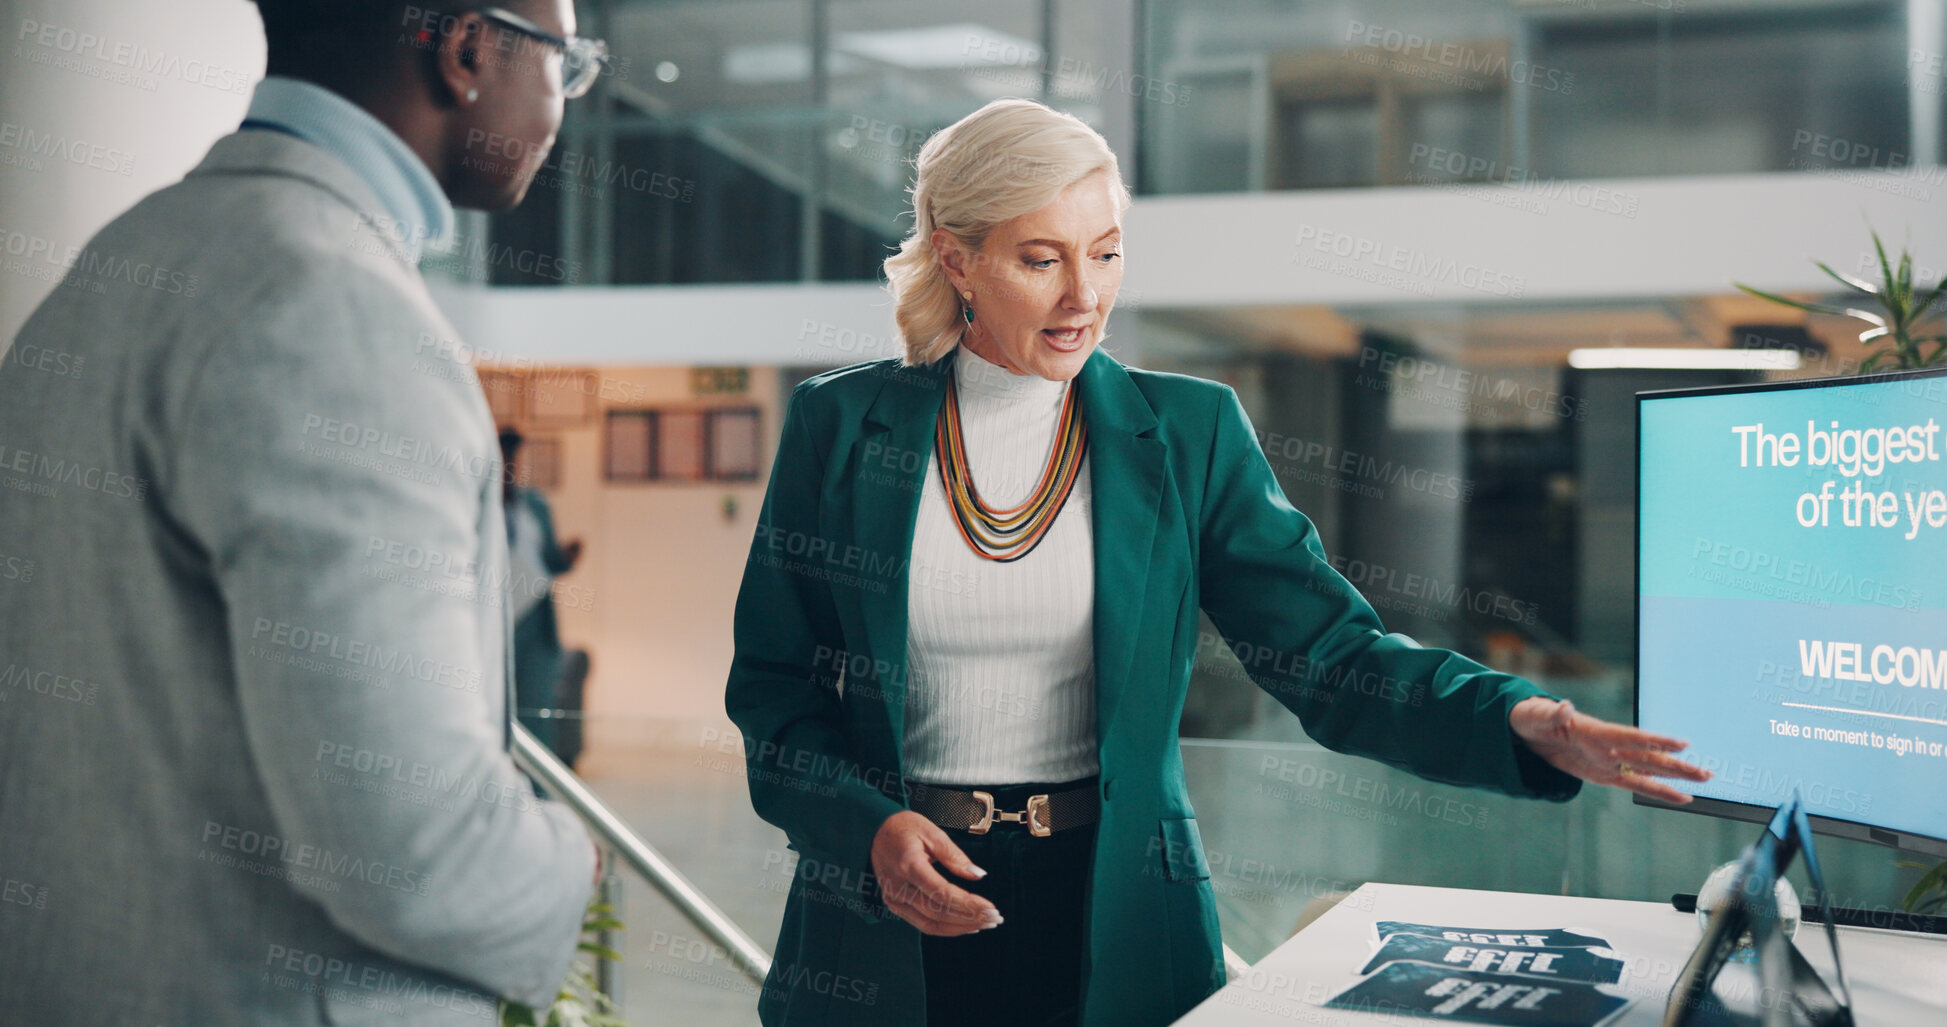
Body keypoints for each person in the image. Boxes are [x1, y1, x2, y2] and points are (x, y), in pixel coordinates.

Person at [724, 98, 1711, 1027]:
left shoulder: (1187, 432)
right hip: (884, 911)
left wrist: (1514, 720)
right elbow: (772, 692)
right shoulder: (840, 426)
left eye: (1106, 254)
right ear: (959, 258)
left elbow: (1330, 654)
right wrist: (867, 829)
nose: (1085, 295)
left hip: (1117, 913)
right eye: (1040, 259)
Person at [0, 2, 611, 1022]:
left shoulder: (117, 261)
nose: (562, 107)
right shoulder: (340, 309)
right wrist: (564, 863)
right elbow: (408, 847)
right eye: (567, 64)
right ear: (467, 51)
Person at [500, 427, 589, 766]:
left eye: (514, 459)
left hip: (535, 620)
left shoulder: (534, 505)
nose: (510, 466)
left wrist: (565, 557)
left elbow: (549, 559)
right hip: (494, 618)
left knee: (536, 709)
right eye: (503, 457)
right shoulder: (477, 504)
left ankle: (539, 790)